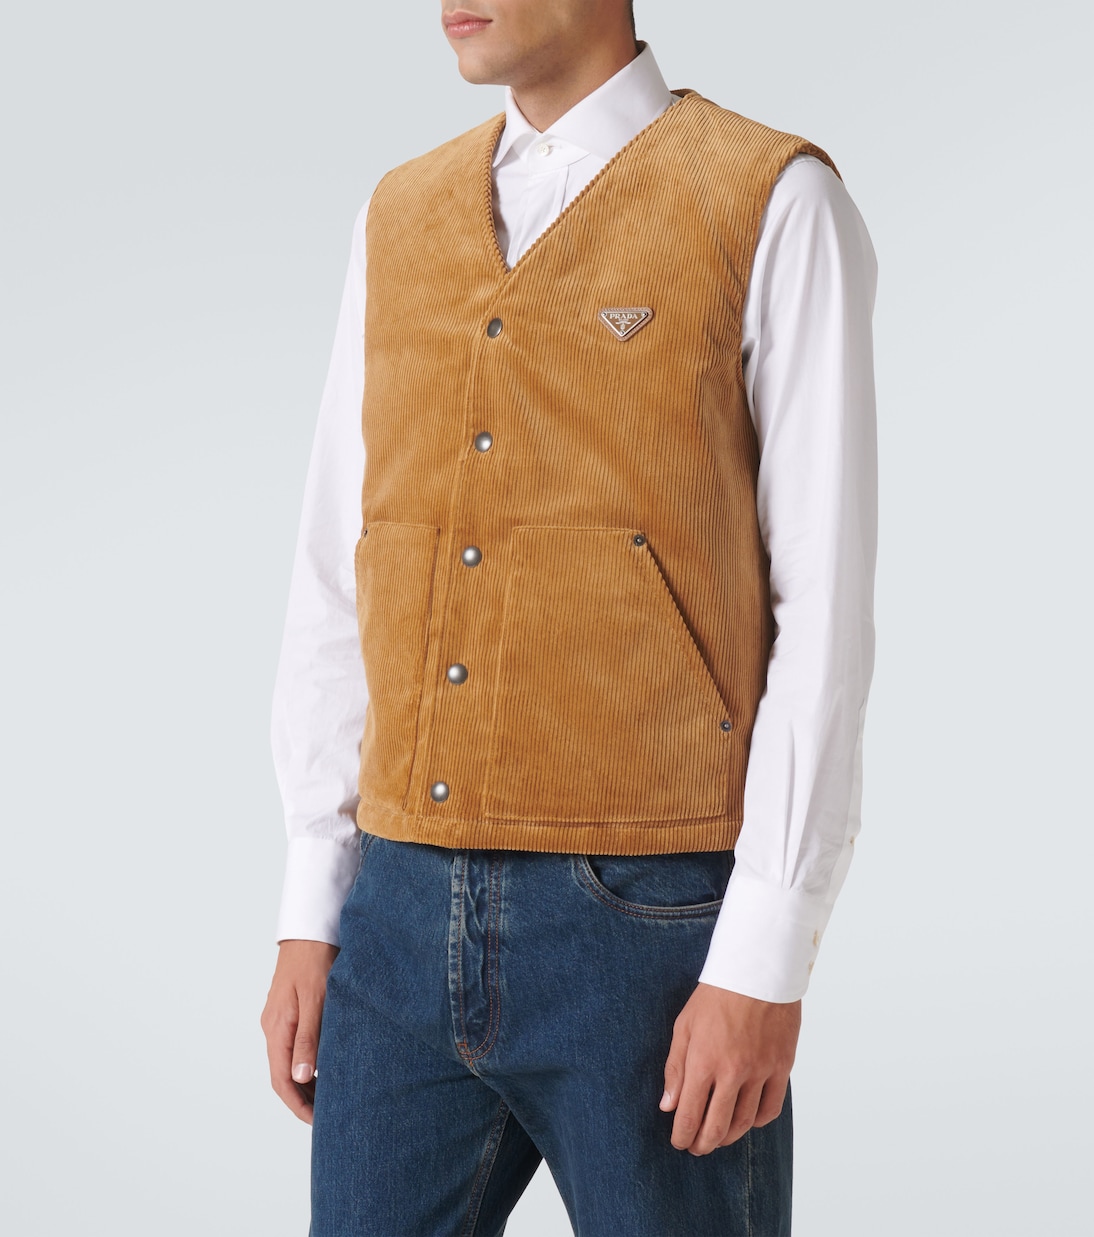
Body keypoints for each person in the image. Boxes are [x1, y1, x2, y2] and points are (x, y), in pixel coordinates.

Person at [260, 3, 878, 1234]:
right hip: (395, 907)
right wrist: (311, 903)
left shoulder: (768, 198)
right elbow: (341, 563)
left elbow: (823, 608)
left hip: (648, 924)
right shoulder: (398, 212)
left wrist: (763, 956)